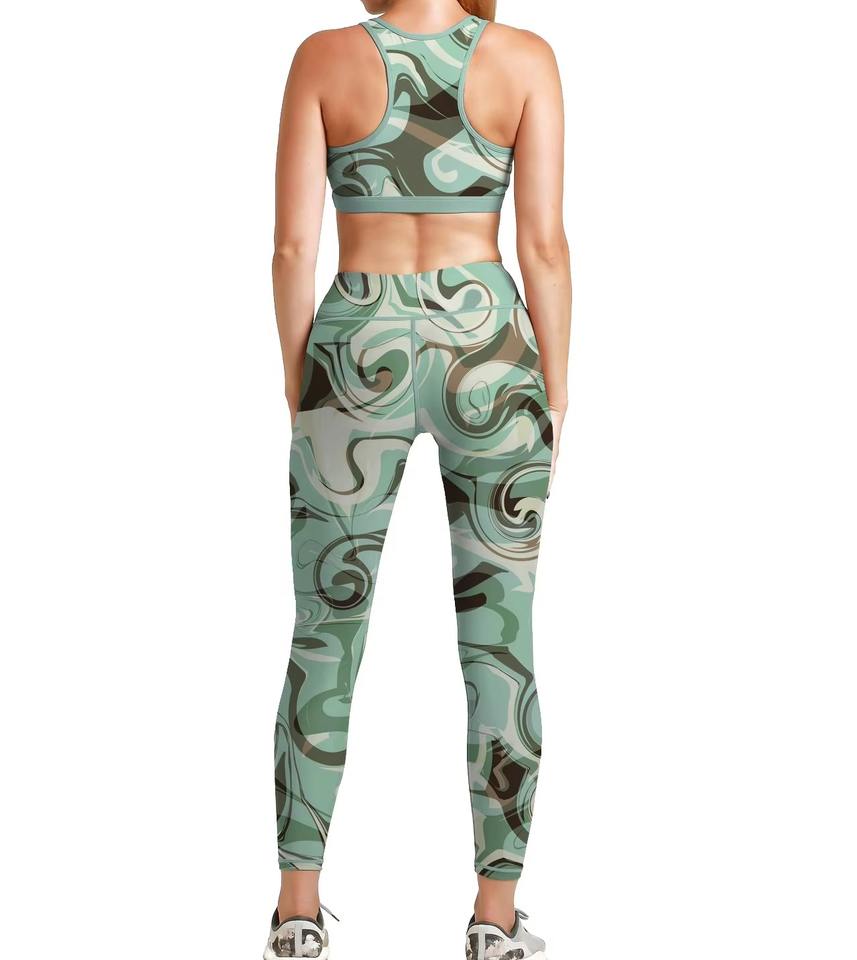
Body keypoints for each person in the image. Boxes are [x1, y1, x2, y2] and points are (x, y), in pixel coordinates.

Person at [268, 1, 571, 957]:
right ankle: (494, 918)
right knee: (501, 639)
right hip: (488, 346)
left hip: (355, 340)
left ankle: (297, 909)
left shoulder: (323, 57)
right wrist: (556, 391)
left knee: (325, 631)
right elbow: (544, 245)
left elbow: (291, 248)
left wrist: (303, 382)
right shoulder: (524, 59)